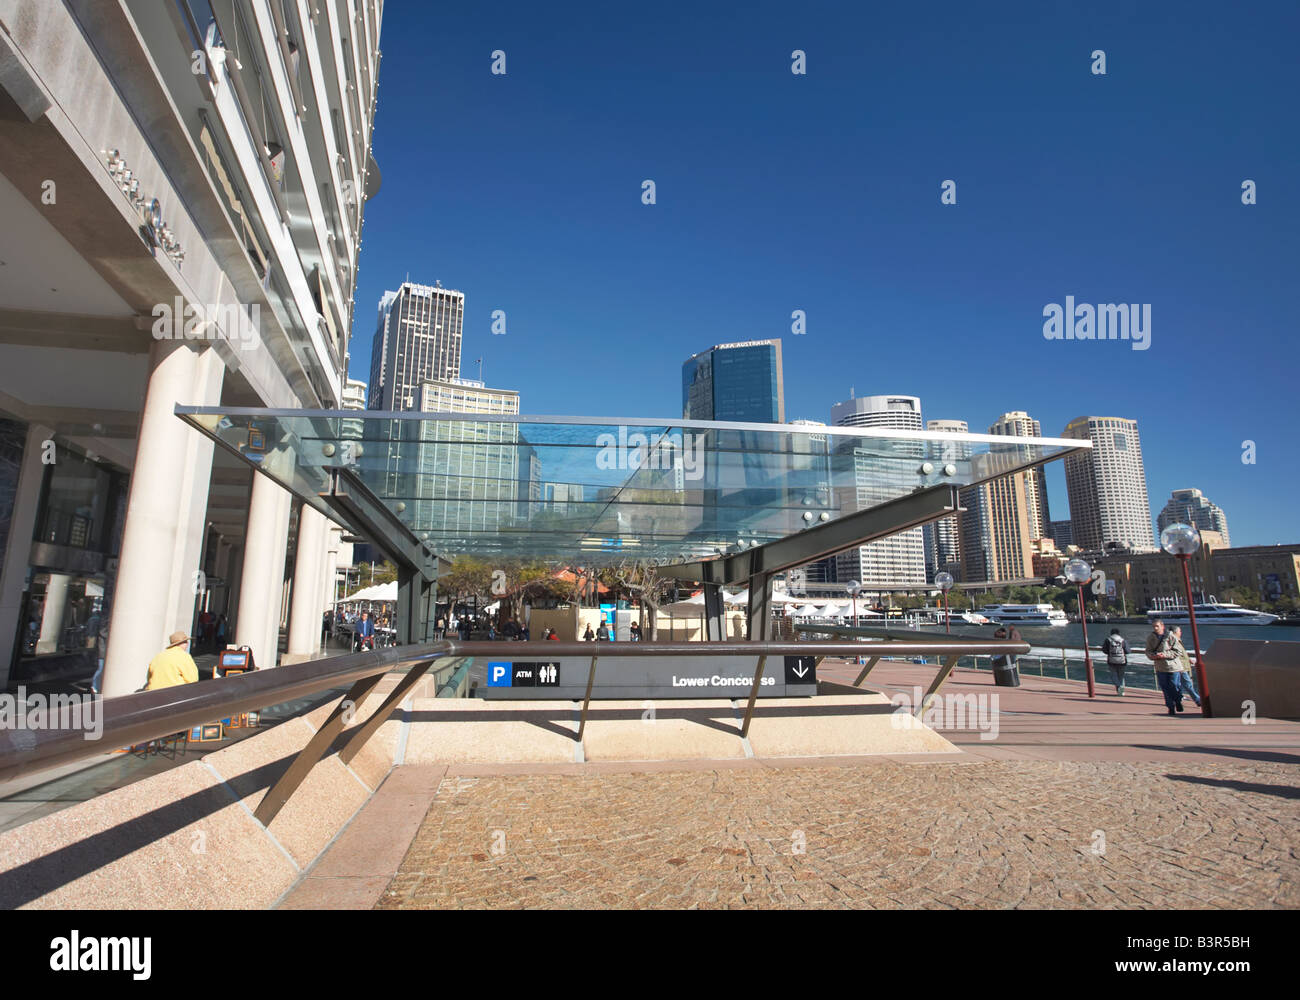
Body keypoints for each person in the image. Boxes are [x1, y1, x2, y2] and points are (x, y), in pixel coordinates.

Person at [1145, 620, 1184, 715]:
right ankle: (1170, 707)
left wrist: (1165, 655)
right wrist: (1152, 656)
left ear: (1162, 626)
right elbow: (1148, 651)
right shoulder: (1151, 638)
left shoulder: (1171, 636)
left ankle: (1178, 700)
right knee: (1165, 688)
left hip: (1173, 666)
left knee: (1174, 685)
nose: (1155, 628)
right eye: (1154, 626)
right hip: (1160, 667)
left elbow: (1178, 651)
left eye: (1157, 626)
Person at [1170, 626, 1202, 708]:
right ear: (1175, 632)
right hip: (1180, 667)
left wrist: (1189, 659)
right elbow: (1176, 655)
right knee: (1188, 684)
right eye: (1180, 631)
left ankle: (1177, 699)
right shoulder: (1174, 641)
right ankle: (1197, 700)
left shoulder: (1178, 641)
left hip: (1183, 666)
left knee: (1179, 684)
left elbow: (1182, 653)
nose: (1181, 633)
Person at [1100, 627, 1129, 695]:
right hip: (1122, 661)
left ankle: (1119, 687)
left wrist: (1110, 653)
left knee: (1113, 676)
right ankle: (1121, 691)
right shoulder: (1122, 640)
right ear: (1119, 633)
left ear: (1111, 633)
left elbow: (1104, 650)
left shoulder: (1108, 640)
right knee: (1121, 676)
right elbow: (1128, 651)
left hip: (1111, 660)